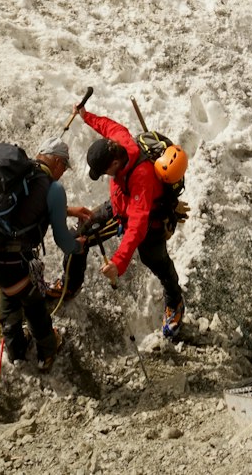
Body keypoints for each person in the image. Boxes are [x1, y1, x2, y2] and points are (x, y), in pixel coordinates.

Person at [0, 139, 86, 370]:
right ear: (55, 160)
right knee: (34, 306)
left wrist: (68, 210)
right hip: (10, 266)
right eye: (64, 166)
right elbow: (63, 240)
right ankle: (47, 352)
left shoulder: (19, 177)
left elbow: (24, 210)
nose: (63, 172)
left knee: (9, 294)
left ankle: (16, 351)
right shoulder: (53, 188)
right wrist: (77, 247)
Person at [77, 105, 185, 339]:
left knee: (157, 263)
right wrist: (87, 116)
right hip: (119, 205)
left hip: (150, 222)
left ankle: (175, 302)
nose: (105, 176)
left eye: (104, 172)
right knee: (83, 227)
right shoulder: (119, 141)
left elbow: (137, 225)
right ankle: (69, 283)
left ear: (115, 164)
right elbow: (107, 126)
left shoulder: (142, 178)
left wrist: (118, 262)